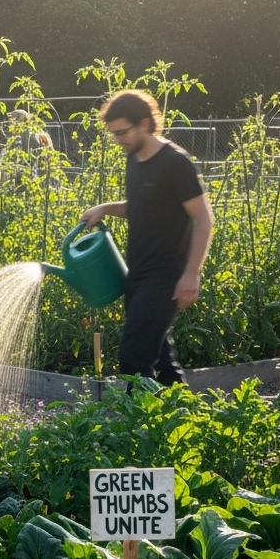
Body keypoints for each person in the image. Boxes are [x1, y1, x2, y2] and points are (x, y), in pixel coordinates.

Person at [79, 90, 214, 386]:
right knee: (163, 360)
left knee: (134, 358)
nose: (118, 139)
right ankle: (184, 418)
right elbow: (142, 207)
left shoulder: (175, 163)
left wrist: (191, 275)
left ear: (144, 123)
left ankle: (134, 428)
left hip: (166, 276)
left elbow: (203, 219)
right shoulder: (135, 159)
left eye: (122, 132)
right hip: (137, 274)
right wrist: (105, 208)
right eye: (113, 134)